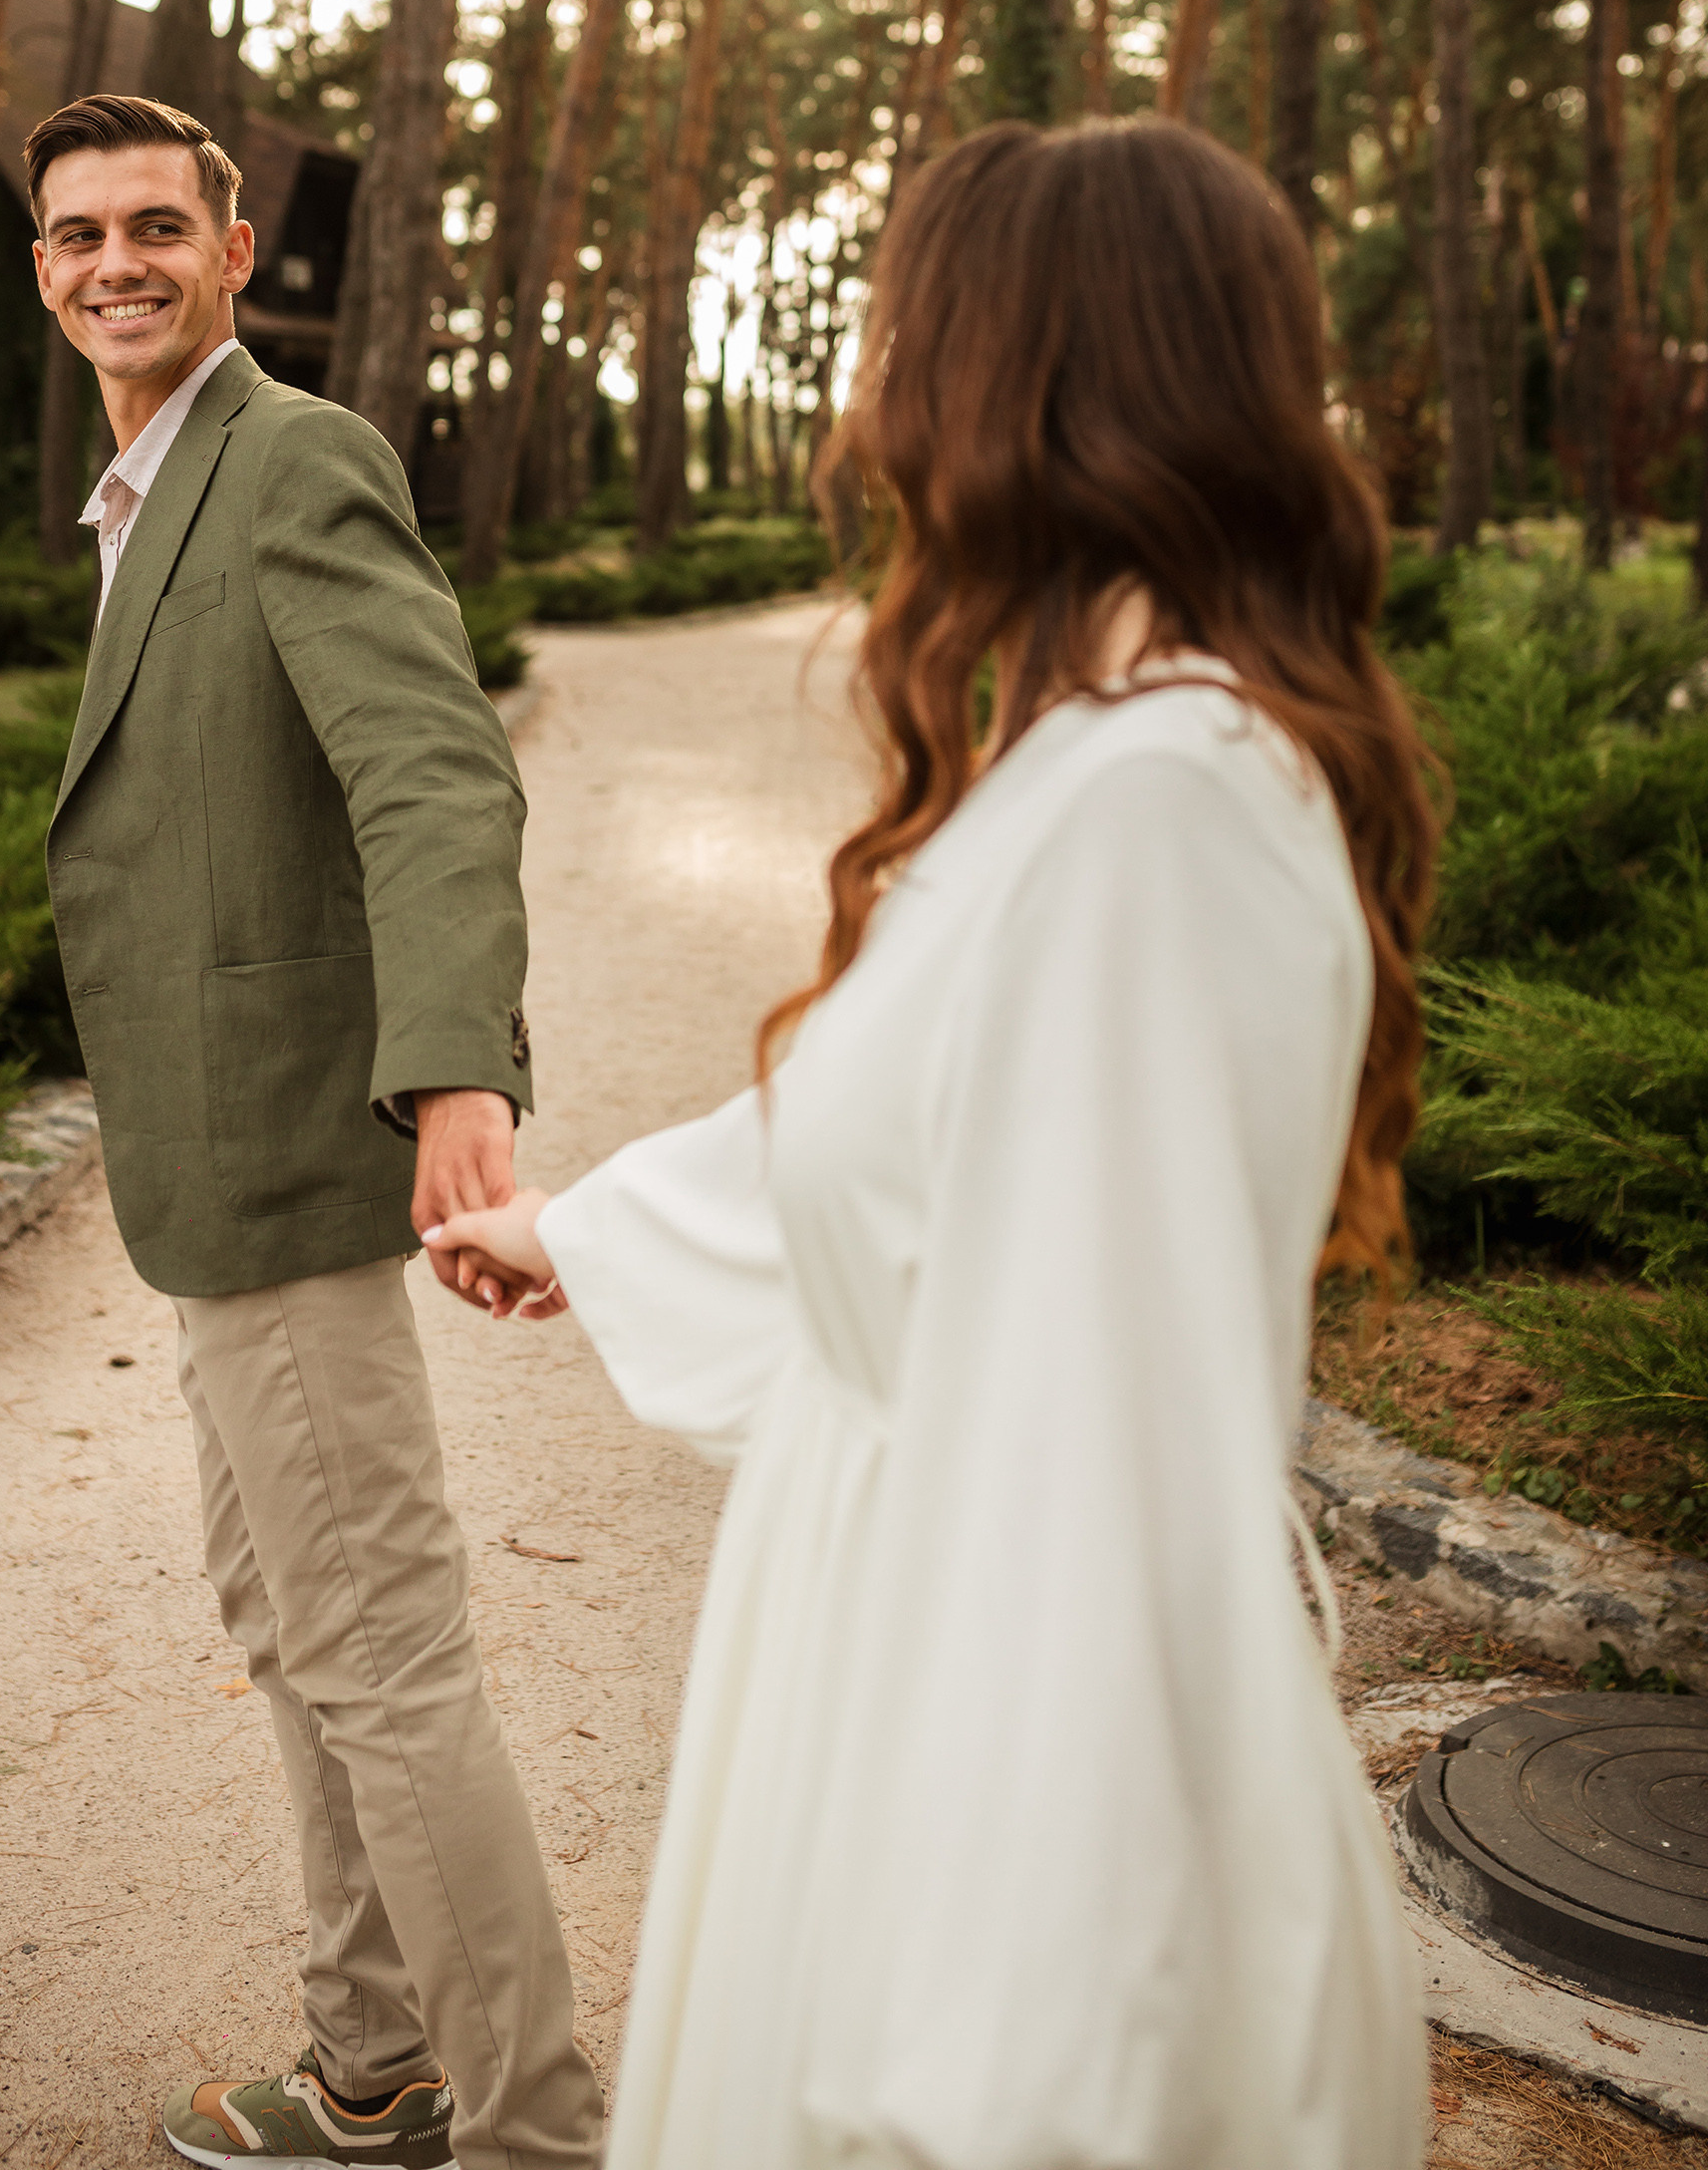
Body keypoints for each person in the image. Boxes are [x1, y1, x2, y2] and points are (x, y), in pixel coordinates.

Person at [425, 119, 1440, 2170]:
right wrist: (593, 1234)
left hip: (1006, 1827)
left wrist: (1004, 2051)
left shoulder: (1155, 806)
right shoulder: (1108, 755)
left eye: (914, 338)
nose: (874, 404)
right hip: (890, 1662)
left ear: (1025, 380)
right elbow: (928, 1146)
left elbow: (1096, 1447)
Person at [28, 93, 601, 2170]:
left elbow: (433, 777)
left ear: (232, 246)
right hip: (212, 1183)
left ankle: (537, 2133)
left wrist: (458, 1065)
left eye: (156, 227)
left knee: (380, 1652)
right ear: (40, 268)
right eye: (81, 233)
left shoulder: (291, 460)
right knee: (296, 1629)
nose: (118, 263)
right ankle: (376, 2067)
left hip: (287, 1160)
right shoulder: (137, 490)